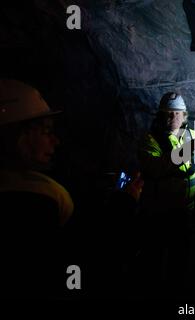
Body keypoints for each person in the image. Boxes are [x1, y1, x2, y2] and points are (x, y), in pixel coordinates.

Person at [0, 79, 144, 298]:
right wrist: (124, 204)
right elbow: (84, 257)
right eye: (46, 131)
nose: (55, 141)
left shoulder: (28, 185)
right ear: (17, 135)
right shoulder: (37, 200)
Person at [136, 91, 195, 298]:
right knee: (153, 261)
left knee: (179, 262)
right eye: (167, 113)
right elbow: (155, 168)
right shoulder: (150, 140)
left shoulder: (191, 136)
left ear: (184, 116)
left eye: (176, 113)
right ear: (160, 115)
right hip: (159, 213)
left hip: (185, 212)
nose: (171, 118)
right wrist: (185, 152)